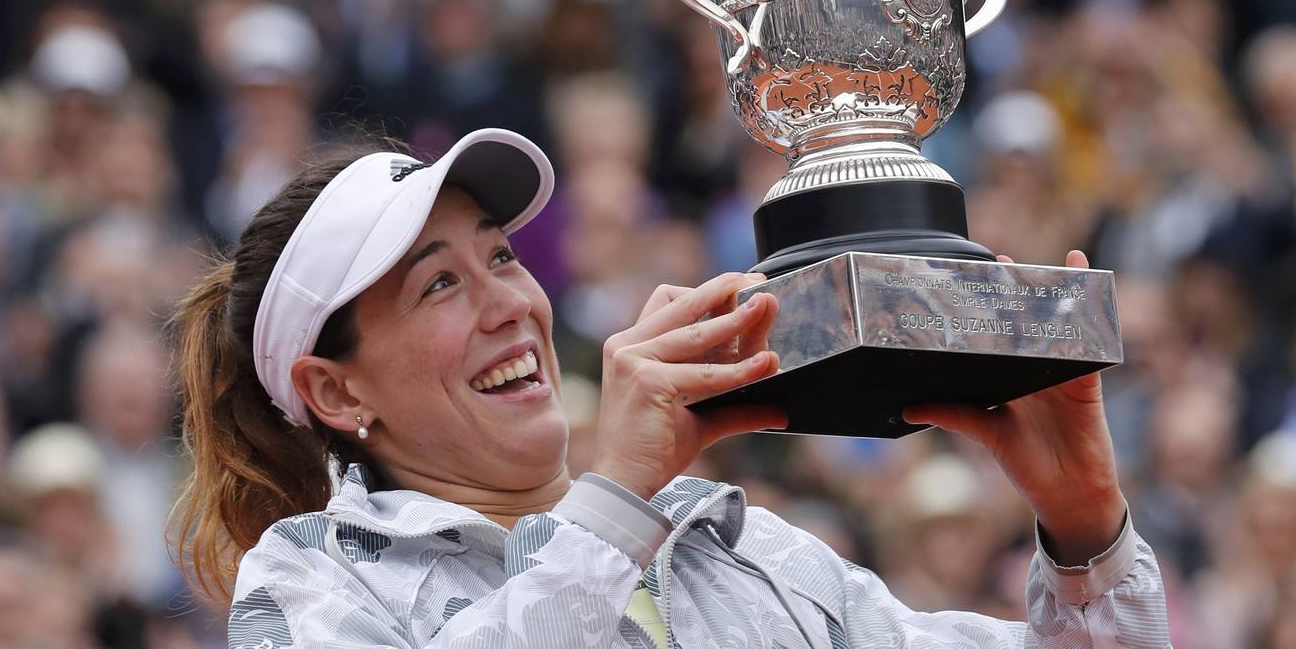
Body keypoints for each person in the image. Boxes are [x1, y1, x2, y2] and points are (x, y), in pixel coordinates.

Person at [171, 128, 1170, 648]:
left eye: (503, 257)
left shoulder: (740, 549)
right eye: (439, 283)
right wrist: (610, 509)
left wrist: (1084, 542)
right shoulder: (311, 586)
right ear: (336, 394)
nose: (508, 304)